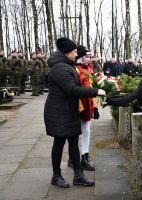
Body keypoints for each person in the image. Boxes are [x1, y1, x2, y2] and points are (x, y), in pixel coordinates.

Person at [44, 37, 106, 188]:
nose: (76, 54)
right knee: (59, 143)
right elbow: (71, 89)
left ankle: (78, 175)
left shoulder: (67, 65)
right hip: (58, 112)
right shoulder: (59, 67)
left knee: (73, 143)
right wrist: (96, 91)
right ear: (66, 53)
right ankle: (56, 175)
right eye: (73, 52)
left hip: (69, 110)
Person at [105, 51, 142, 187]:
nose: (140, 63)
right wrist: (116, 99)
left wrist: (114, 101)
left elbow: (137, 97)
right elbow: (136, 94)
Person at [67, 45, 99, 171]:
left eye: (90, 57)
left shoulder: (89, 69)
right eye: (86, 56)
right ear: (80, 57)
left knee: (86, 131)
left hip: (88, 104)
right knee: (74, 134)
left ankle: (85, 157)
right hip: (77, 105)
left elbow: (91, 88)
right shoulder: (74, 69)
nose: (89, 59)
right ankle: (72, 158)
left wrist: (95, 107)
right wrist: (79, 108)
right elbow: (74, 89)